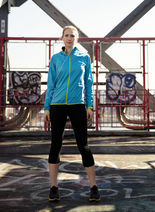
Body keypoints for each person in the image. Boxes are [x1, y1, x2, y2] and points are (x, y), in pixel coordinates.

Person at [44, 25, 100, 202]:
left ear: (77, 39)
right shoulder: (55, 59)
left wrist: (89, 106)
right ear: (62, 38)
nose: (69, 38)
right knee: (55, 145)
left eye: (72, 36)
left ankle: (93, 187)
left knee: (83, 145)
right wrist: (46, 107)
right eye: (66, 35)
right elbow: (51, 84)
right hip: (57, 105)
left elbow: (89, 83)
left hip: (77, 105)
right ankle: (53, 187)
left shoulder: (84, 58)